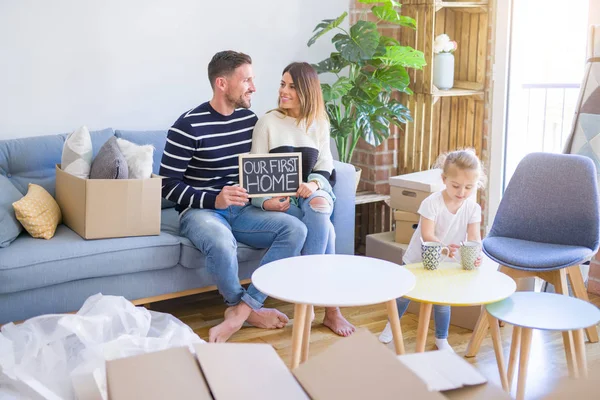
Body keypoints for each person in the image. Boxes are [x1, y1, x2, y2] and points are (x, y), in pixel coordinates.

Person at [159, 51, 308, 343]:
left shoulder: (249, 120)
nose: (253, 87)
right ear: (222, 84)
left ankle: (243, 309)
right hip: (200, 212)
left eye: (252, 79)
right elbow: (166, 186)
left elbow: (252, 173)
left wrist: (266, 199)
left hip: (243, 209)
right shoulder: (187, 126)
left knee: (296, 229)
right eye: (246, 80)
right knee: (221, 241)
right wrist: (214, 199)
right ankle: (241, 308)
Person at [249, 62, 355, 337]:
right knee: (327, 231)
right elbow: (254, 175)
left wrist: (313, 183)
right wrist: (266, 202)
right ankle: (331, 311)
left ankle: (306, 302)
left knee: (320, 205)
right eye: (283, 84)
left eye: (292, 86)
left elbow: (325, 166)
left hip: (312, 192)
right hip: (283, 201)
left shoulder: (319, 123)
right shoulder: (268, 123)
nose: (284, 91)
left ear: (307, 91)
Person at [378, 149, 486, 351]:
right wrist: (445, 248)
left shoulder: (473, 208)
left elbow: (474, 238)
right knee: (403, 295)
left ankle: (441, 338)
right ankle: (391, 327)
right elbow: (427, 234)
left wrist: (474, 254)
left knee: (442, 301)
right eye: (456, 186)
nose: (462, 192)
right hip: (419, 258)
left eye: (469, 187)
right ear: (444, 179)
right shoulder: (431, 203)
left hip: (447, 261)